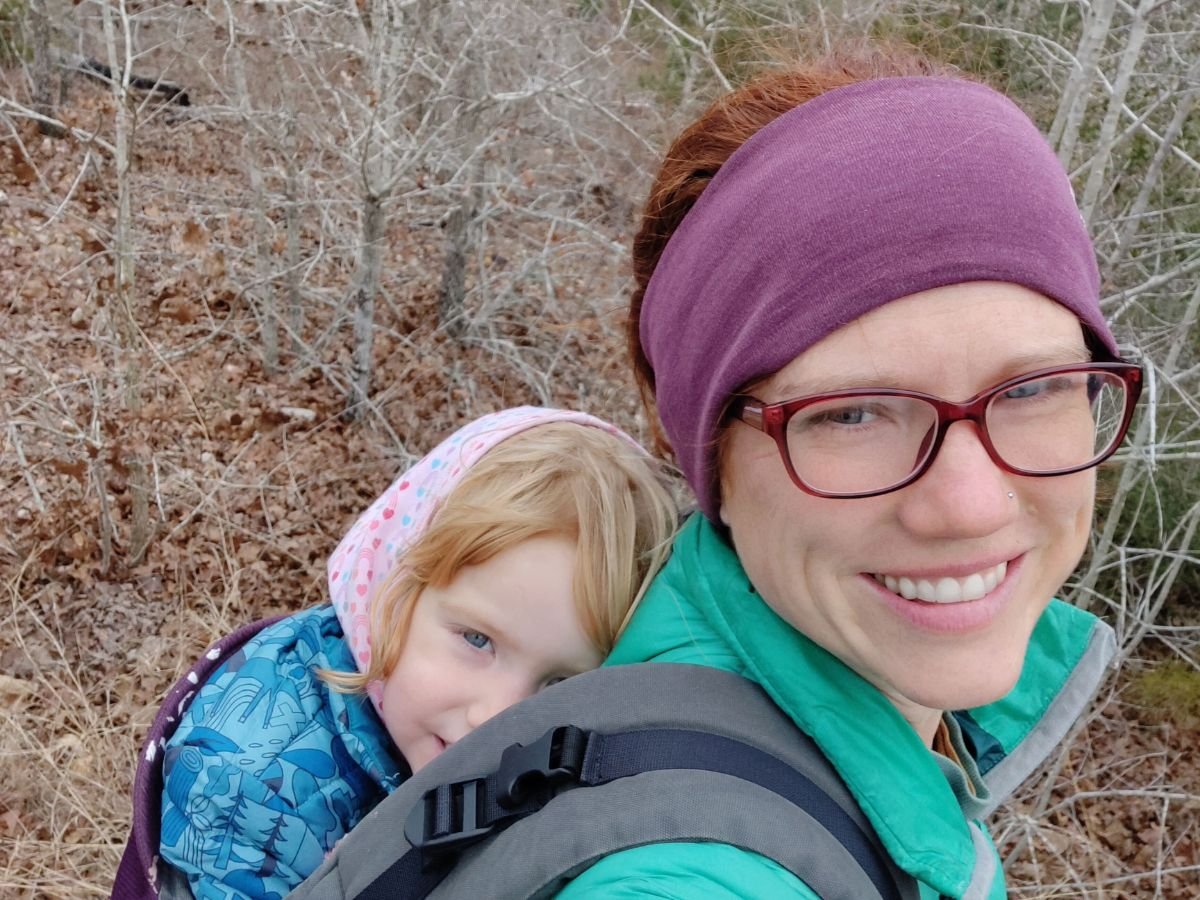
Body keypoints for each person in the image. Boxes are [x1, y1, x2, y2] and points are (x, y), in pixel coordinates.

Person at [554, 45, 1144, 898]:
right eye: (852, 414)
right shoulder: (687, 876)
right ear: (709, 457)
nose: (971, 506)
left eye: (1032, 389)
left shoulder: (887, 737)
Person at [155, 407, 676, 900]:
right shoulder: (246, 790)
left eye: (559, 684)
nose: (498, 719)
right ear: (394, 588)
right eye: (477, 640)